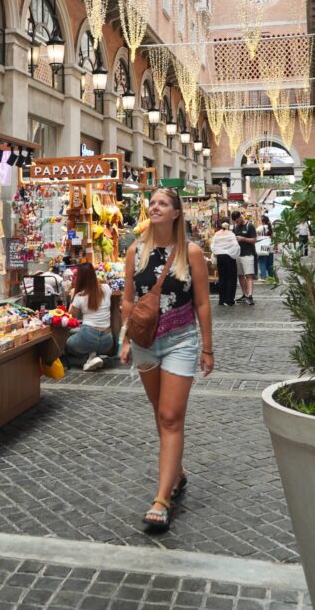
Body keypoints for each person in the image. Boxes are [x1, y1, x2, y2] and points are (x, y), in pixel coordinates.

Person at [120, 187, 213, 532]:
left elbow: (203, 303)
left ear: (176, 213)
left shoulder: (190, 253)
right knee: (160, 413)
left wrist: (207, 347)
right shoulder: (136, 251)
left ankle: (161, 499)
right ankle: (176, 471)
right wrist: (125, 338)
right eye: (153, 203)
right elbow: (129, 300)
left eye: (162, 203)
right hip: (146, 343)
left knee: (171, 416)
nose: (154, 206)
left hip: (181, 340)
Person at [65, 262, 114, 371]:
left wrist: (73, 296)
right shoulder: (106, 288)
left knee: (68, 342)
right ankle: (94, 355)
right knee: (84, 337)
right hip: (107, 340)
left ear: (80, 278)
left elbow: (71, 315)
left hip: (88, 336)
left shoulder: (80, 295)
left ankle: (87, 359)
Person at [211, 221, 240, 306]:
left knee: (222, 278)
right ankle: (229, 300)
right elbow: (236, 245)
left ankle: (221, 300)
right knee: (231, 278)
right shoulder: (230, 234)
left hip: (220, 257)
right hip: (229, 257)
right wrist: (234, 254)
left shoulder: (217, 234)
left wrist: (217, 252)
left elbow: (212, 246)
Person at [232, 210, 257, 305]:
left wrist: (243, 239)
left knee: (249, 275)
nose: (236, 223)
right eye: (235, 221)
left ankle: (250, 296)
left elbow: (254, 240)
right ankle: (245, 294)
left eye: (237, 220)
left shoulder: (249, 226)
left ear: (240, 217)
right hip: (238, 254)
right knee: (240, 276)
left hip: (248, 254)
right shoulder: (234, 227)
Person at [256, 214, 275, 281]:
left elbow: (256, 232)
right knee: (270, 263)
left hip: (263, 246)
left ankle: (263, 276)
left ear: (262, 221)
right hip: (270, 246)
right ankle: (271, 276)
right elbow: (273, 237)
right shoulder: (271, 227)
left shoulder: (261, 227)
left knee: (262, 261)